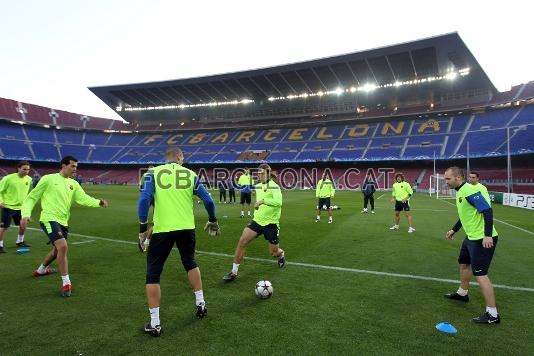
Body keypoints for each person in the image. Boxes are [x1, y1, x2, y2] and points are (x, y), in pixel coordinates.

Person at [138, 147, 220, 337]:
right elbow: (208, 200)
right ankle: (201, 304)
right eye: (183, 157)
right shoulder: (190, 174)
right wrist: (213, 220)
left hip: (163, 230)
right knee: (190, 262)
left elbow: (144, 200)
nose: (184, 159)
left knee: (153, 272)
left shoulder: (153, 173)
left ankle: (155, 323)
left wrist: (142, 228)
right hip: (186, 228)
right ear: (178, 157)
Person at [20, 156, 108, 297]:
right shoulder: (48, 179)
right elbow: (32, 197)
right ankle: (66, 283)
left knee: (56, 251)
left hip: (63, 221)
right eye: (72, 166)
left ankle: (42, 269)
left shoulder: (73, 184)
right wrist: (25, 214)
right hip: (49, 218)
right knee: (63, 246)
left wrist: (98, 202)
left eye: (76, 167)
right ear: (63, 165)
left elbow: (82, 198)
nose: (75, 169)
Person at [443, 167, 500, 324]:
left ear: (458, 178)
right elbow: (465, 215)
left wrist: (487, 235)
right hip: (471, 237)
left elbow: (487, 211)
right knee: (464, 263)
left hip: (482, 239)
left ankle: (493, 314)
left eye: (448, 179)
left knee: (481, 274)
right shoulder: (461, 191)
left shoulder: (469, 190)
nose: (446, 182)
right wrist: (454, 230)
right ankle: (462, 293)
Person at [223, 164, 284, 282]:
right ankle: (233, 272)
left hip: (271, 224)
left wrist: (262, 201)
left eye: (261, 173)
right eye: (258, 173)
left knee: (274, 252)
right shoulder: (257, 186)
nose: (259, 175)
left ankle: (281, 254)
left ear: (267, 172)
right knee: (242, 241)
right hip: (257, 221)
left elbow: (279, 202)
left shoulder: (275, 187)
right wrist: (258, 207)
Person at [0, 161, 33, 253]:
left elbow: (29, 194)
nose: (26, 171)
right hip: (8, 206)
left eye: (28, 169)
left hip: (21, 207)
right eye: (24, 169)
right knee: (4, 227)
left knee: (23, 225)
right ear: (18, 168)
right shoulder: (8, 178)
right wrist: (0, 201)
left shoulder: (29, 179)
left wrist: (27, 209)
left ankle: (20, 241)